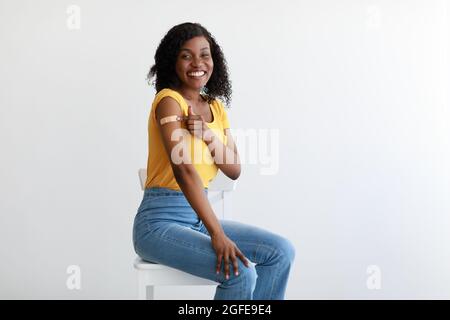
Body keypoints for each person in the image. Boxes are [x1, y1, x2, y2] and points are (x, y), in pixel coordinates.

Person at [133, 22, 295, 300]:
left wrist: (207, 134)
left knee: (280, 251)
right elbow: (183, 170)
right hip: (159, 223)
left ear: (214, 60)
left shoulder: (215, 107)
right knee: (240, 272)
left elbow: (233, 169)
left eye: (204, 55)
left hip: (197, 219)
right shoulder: (169, 102)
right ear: (173, 61)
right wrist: (217, 234)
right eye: (186, 55)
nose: (198, 63)